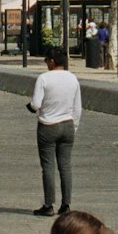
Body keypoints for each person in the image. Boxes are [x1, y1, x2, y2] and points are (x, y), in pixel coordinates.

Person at [28, 46, 81, 216]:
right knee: (65, 166)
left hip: (48, 126)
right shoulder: (73, 79)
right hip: (67, 124)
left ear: (51, 61)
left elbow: (36, 104)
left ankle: (49, 205)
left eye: (46, 60)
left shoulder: (44, 78)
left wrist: (30, 107)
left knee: (48, 166)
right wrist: (74, 126)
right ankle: (66, 204)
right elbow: (77, 107)